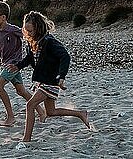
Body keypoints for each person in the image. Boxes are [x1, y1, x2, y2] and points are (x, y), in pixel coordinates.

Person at [7, 11, 90, 143]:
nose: (28, 33)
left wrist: (62, 76)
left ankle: (26, 139)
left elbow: (65, 56)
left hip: (50, 80)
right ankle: (80, 113)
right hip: (42, 80)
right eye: (26, 30)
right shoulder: (32, 42)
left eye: (31, 30)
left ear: (38, 28)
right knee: (51, 112)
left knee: (30, 105)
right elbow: (29, 58)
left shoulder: (49, 41)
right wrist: (18, 66)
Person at [0, 1, 46, 126]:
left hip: (14, 64)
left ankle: (11, 117)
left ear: (3, 17)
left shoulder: (12, 30)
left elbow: (29, 36)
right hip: (6, 63)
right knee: (21, 91)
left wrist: (38, 49)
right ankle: (41, 111)